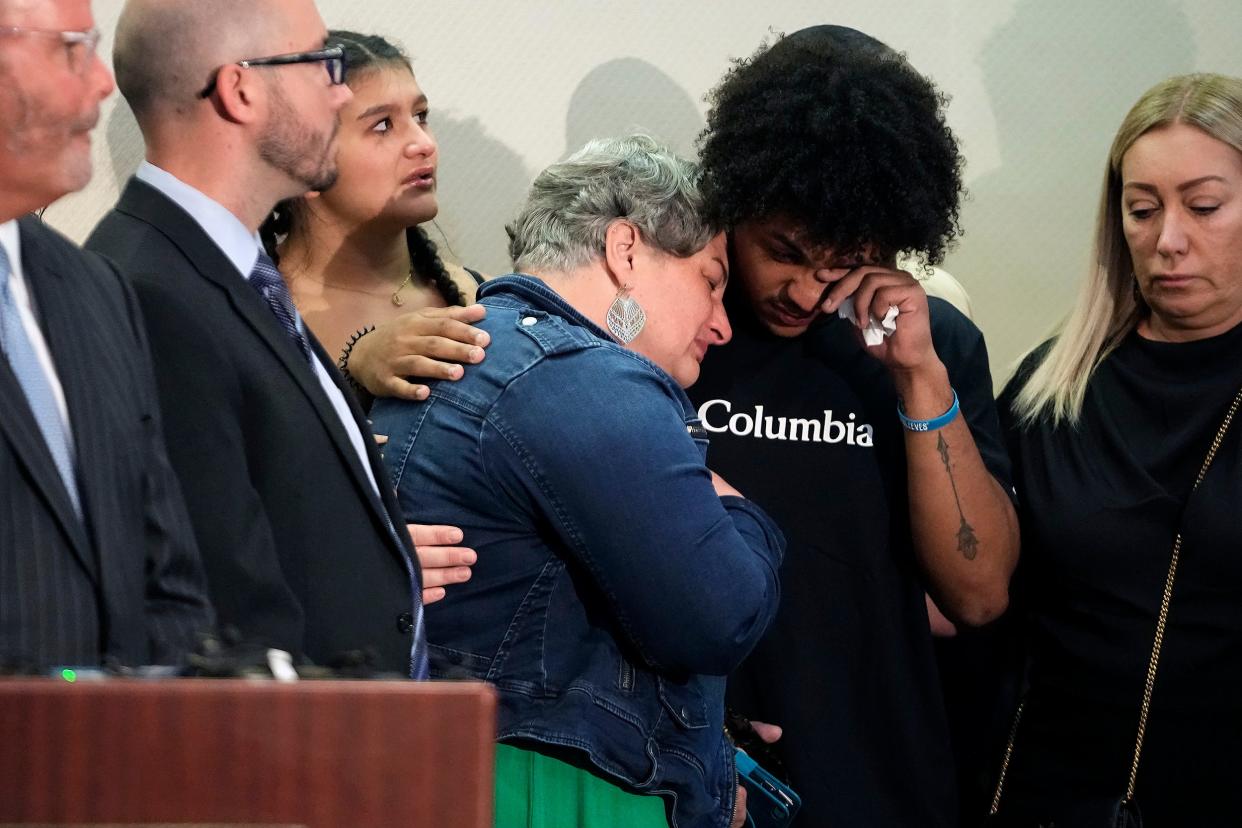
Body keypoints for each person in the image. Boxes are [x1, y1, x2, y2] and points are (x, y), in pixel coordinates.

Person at [370, 135, 785, 828]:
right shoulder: (580, 377)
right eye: (711, 280)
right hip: (551, 793)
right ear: (625, 250)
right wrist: (743, 515)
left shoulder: (479, 350)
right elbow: (721, 614)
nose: (721, 324)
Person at [690, 26, 1020, 827]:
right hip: (702, 779)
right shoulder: (679, 332)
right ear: (737, 201)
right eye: (785, 252)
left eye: (840, 265)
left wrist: (917, 374)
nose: (806, 292)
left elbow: (978, 597)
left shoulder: (933, 347)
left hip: (881, 779)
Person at [85, 0, 428, 675]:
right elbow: (221, 590)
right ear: (240, 90)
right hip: (291, 751)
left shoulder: (231, 267)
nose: (339, 93)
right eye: (322, 65)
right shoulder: (155, 289)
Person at [993, 72, 1242, 827]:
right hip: (1046, 802)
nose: (1168, 239)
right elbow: (970, 595)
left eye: (1204, 207)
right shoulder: (1053, 385)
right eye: (1142, 210)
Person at [0, 0, 213, 668]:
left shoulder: (96, 291)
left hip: (107, 762)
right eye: (73, 49)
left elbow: (168, 579)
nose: (102, 82)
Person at [262, 30, 486, 385]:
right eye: (383, 125)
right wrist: (355, 370)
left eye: (421, 115)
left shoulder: (479, 294)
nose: (423, 143)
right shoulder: (253, 318)